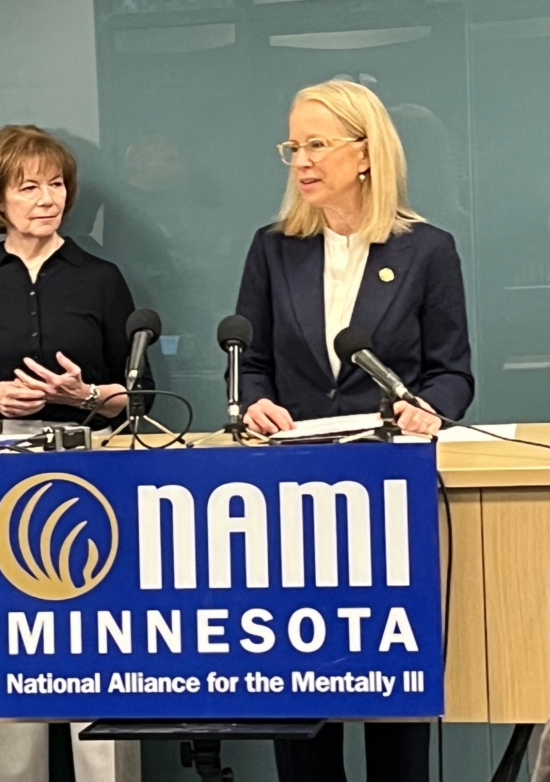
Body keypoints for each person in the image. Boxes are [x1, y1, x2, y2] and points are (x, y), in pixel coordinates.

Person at [235, 79, 473, 782]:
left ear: (365, 153)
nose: (301, 161)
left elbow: (452, 373)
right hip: (292, 499)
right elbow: (250, 363)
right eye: (293, 147)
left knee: (390, 694)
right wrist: (254, 402)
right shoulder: (273, 248)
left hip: (387, 496)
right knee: (300, 691)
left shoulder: (427, 250)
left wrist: (428, 409)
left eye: (317, 144)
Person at [0, 125, 142, 782]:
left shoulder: (102, 279)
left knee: (101, 651)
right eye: (28, 187)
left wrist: (87, 395)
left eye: (56, 185)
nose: (47, 199)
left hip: (92, 469)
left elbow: (140, 398)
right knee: (8, 651)